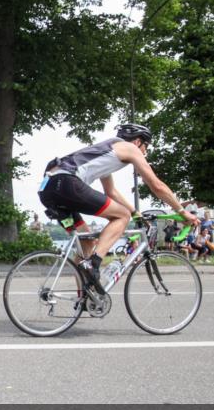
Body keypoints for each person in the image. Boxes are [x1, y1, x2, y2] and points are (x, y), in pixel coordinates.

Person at [38, 124, 199, 293]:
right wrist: (182, 211)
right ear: (137, 141)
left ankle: (83, 298)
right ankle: (94, 263)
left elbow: (111, 192)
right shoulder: (130, 148)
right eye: (146, 146)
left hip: (47, 189)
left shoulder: (104, 152)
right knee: (122, 216)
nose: (145, 152)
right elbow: (156, 185)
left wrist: (135, 212)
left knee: (87, 243)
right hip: (66, 183)